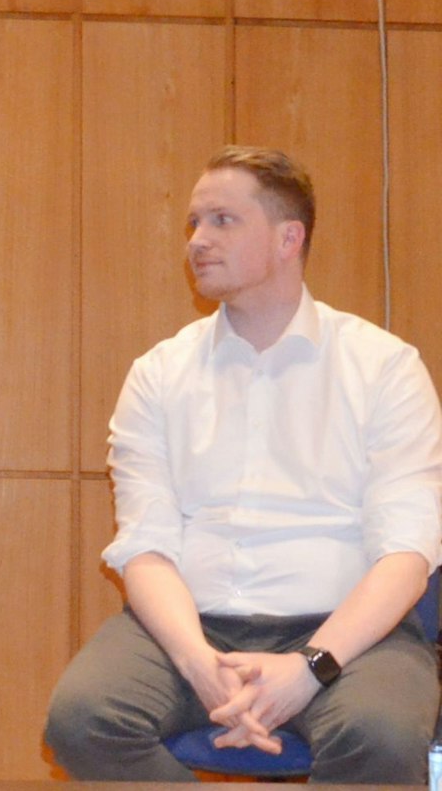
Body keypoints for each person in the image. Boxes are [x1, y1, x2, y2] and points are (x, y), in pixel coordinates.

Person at [45, 146, 442, 783]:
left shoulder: (384, 369)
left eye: (223, 221)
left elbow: (408, 555)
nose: (198, 241)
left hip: (346, 629)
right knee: (83, 720)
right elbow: (145, 546)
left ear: (290, 238)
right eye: (194, 224)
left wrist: (312, 666)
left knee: (382, 736)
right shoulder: (158, 374)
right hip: (189, 626)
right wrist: (199, 663)